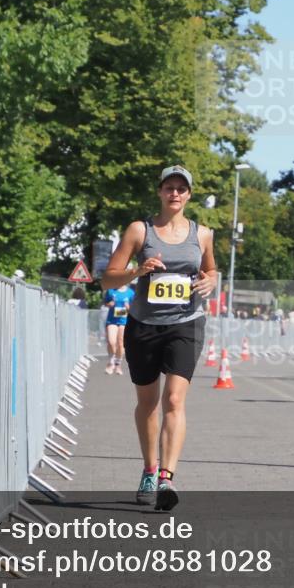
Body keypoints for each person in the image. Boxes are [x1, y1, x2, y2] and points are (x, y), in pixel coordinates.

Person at [102, 165, 216, 510]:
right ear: (160, 192)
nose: (176, 194)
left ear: (189, 195)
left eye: (182, 188)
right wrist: (138, 270)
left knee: (175, 401)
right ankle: (149, 469)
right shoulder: (140, 230)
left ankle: (167, 477)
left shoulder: (203, 234)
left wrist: (211, 281)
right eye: (170, 187)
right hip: (144, 325)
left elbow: (211, 269)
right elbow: (108, 279)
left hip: (187, 323)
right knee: (148, 403)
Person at [103, 282, 135, 375]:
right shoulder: (111, 291)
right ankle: (111, 362)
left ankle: (118, 365)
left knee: (120, 343)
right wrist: (109, 304)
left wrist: (129, 307)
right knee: (111, 341)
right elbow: (106, 302)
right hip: (112, 321)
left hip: (123, 321)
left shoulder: (130, 293)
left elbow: (134, 307)